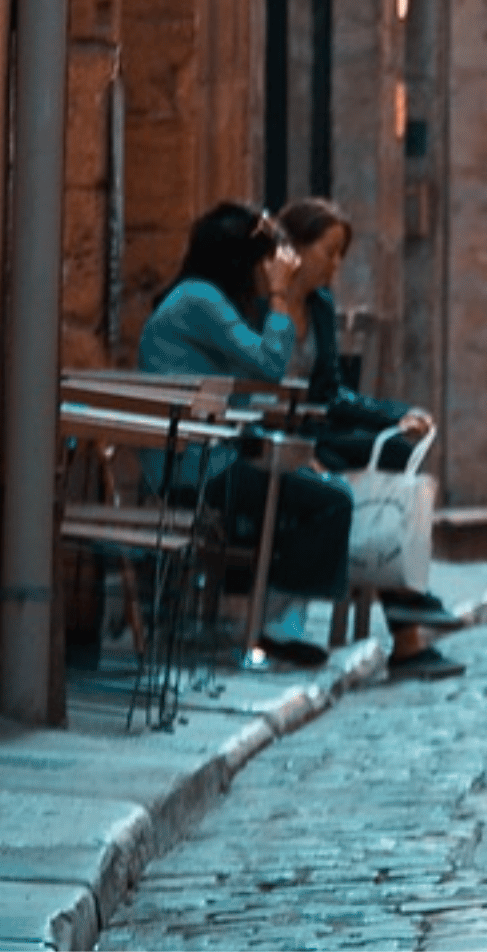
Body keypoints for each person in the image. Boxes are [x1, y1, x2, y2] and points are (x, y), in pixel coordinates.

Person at [135, 202, 355, 669]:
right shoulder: (200, 301)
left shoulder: (203, 300)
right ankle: (275, 627)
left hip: (202, 454)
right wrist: (279, 295)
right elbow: (270, 365)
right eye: (266, 263)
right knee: (330, 501)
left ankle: (274, 622)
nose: (271, 272)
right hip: (194, 467)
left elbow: (247, 385)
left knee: (315, 487)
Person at [274, 197, 468, 681]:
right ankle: (408, 629)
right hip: (275, 435)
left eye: (341, 255)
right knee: (362, 490)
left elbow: (332, 391)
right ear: (294, 247)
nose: (335, 265)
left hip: (316, 428)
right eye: (328, 251)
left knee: (400, 451)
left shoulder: (320, 305)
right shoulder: (262, 302)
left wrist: (395, 416)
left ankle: (409, 617)